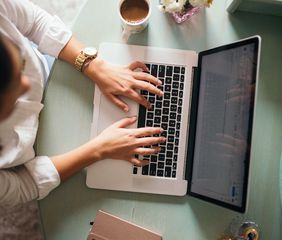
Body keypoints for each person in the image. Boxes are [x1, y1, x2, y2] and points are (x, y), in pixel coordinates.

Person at [0, 0, 165, 208]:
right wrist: (99, 149)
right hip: (32, 160)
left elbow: (34, 23)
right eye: (13, 93)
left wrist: (92, 65)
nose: (27, 83)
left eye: (21, 63)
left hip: (54, 67)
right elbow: (24, 185)